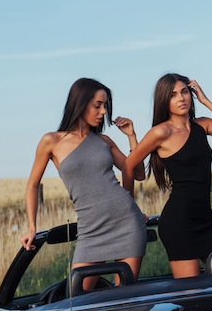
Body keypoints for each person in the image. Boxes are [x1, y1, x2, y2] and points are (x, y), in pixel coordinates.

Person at [20, 78, 148, 290]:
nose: (103, 112)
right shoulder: (51, 141)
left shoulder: (105, 141)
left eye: (105, 106)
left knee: (125, 300)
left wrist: (132, 137)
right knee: (77, 298)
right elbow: (33, 184)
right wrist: (32, 227)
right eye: (97, 105)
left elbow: (136, 173)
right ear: (80, 103)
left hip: (127, 223)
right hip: (90, 230)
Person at [123, 73, 212, 279]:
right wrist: (131, 209)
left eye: (184, 92)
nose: (181, 98)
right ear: (164, 100)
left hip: (204, 222)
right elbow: (128, 166)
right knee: (193, 299)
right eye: (173, 95)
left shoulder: (202, 125)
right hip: (178, 224)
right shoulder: (161, 132)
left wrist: (206, 101)